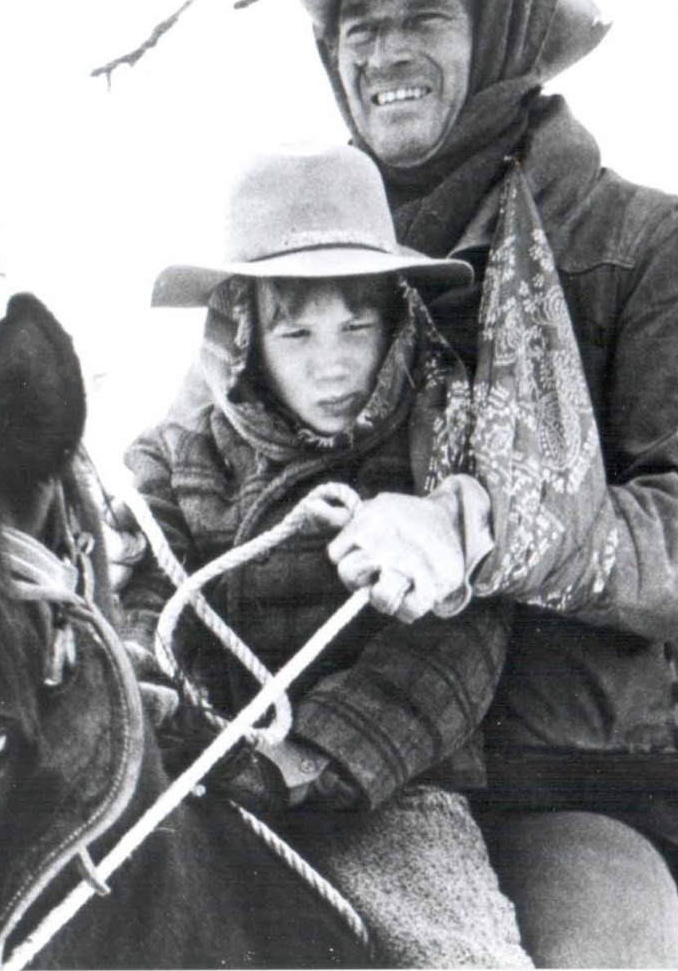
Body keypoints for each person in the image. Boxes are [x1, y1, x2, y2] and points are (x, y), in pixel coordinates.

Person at [278, 0, 678, 967]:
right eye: (356, 27)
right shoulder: (303, 269)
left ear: (500, 32)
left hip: (573, 770)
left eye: (422, 16)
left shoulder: (654, 245)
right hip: (338, 747)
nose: (383, 52)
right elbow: (210, 447)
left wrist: (485, 525)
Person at [117, 144, 529, 968]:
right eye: (296, 331)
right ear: (244, 334)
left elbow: (454, 649)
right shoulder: (172, 459)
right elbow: (140, 605)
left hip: (391, 798)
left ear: (396, 316)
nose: (331, 361)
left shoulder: (435, 448)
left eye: (357, 324)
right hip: (201, 774)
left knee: (458, 955)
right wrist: (172, 717)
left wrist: (308, 757)